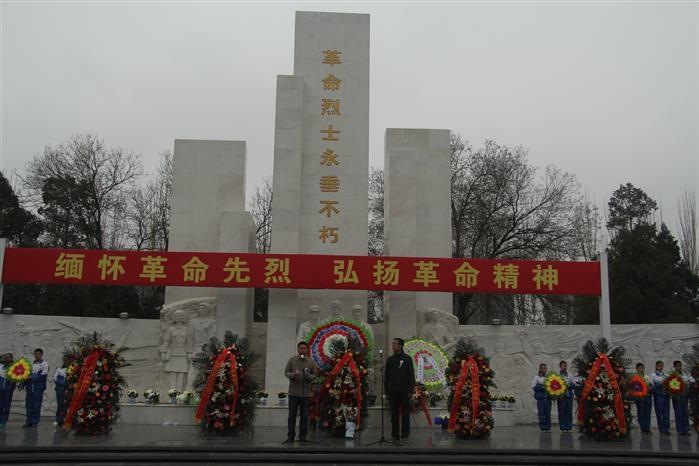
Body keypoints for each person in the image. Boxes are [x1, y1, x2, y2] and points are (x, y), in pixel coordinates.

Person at [284, 341, 317, 443]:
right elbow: (286, 372)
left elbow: (315, 375)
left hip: (305, 393)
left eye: (304, 348)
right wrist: (293, 375)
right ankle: (290, 436)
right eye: (301, 348)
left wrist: (309, 376)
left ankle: (303, 436)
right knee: (292, 415)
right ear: (298, 349)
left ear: (307, 350)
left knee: (304, 416)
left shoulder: (311, 362)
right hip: (293, 392)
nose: (302, 350)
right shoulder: (292, 360)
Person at [384, 337, 415, 441]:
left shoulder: (407, 359)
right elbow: (387, 377)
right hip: (392, 391)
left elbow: (411, 375)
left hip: (404, 391)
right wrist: (386, 391)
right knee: (394, 415)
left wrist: (411, 390)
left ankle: (405, 434)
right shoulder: (390, 359)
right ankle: (395, 434)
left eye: (396, 344)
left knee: (405, 414)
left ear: (401, 346)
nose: (393, 345)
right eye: (392, 344)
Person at [23, 348, 49, 428]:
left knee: (36, 405)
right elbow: (26, 375)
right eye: (35, 354)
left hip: (38, 388)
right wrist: (23, 383)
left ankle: (35, 421)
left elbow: (43, 376)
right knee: (28, 405)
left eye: (38, 354)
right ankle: (28, 421)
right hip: (30, 387)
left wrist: (31, 377)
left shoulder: (44, 364)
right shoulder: (30, 364)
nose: (37, 355)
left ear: (41, 354)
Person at [671, 360, 693, 436]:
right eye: (677, 366)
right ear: (674, 366)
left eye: (680, 366)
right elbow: (672, 387)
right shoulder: (673, 375)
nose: (679, 367)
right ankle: (680, 430)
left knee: (685, 413)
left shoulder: (684, 374)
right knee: (678, 413)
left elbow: (687, 384)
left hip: (684, 396)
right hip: (677, 396)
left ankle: (686, 429)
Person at [650, 360, 670, 435]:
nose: (661, 367)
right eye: (659, 366)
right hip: (658, 396)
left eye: (662, 366)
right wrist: (659, 383)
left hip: (666, 396)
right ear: (656, 366)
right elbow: (652, 388)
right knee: (659, 413)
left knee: (666, 413)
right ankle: (661, 429)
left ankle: (666, 428)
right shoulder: (653, 376)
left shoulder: (666, 375)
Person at [634, 363, 653, 434]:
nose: (641, 369)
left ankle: (647, 428)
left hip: (647, 397)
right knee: (641, 413)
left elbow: (651, 386)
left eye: (642, 368)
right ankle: (643, 428)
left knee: (647, 414)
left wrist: (649, 388)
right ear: (637, 369)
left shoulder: (647, 377)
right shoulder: (635, 377)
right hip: (639, 398)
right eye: (639, 368)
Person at [532, 363, 551, 433]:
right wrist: (542, 387)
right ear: (540, 369)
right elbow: (534, 387)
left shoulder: (549, 377)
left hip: (548, 398)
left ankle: (548, 427)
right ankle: (543, 427)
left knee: (548, 413)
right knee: (541, 413)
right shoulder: (537, 377)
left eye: (545, 368)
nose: (544, 369)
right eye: (542, 368)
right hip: (541, 398)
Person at [556, 361, 575, 433]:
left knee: (569, 411)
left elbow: (574, 385)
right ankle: (563, 427)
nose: (565, 367)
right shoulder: (557, 375)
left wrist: (569, 385)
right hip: (561, 396)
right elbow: (554, 386)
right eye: (563, 365)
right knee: (562, 412)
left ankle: (569, 427)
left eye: (565, 365)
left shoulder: (569, 375)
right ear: (560, 366)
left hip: (569, 395)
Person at [0, 353, 17, 430]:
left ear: (11, 359)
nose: (7, 359)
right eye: (5, 357)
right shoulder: (1, 367)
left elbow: (16, 379)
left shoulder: (14, 368)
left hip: (8, 390)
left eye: (8, 357)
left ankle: (3, 421)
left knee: (6, 406)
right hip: (0, 390)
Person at [54, 355, 70, 427]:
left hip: (68, 390)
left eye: (67, 360)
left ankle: (66, 419)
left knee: (67, 405)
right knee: (60, 405)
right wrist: (63, 382)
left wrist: (65, 382)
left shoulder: (72, 369)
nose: (65, 361)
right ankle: (59, 419)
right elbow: (55, 379)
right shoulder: (59, 369)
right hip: (60, 390)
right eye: (64, 360)